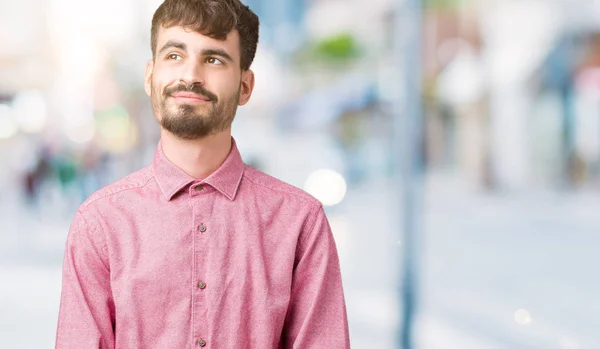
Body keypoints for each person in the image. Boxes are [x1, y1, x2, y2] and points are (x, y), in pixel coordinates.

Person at [55, 0, 351, 348]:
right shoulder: (100, 224)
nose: (191, 75)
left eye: (213, 59)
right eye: (174, 56)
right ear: (150, 77)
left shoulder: (301, 222)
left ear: (245, 85)